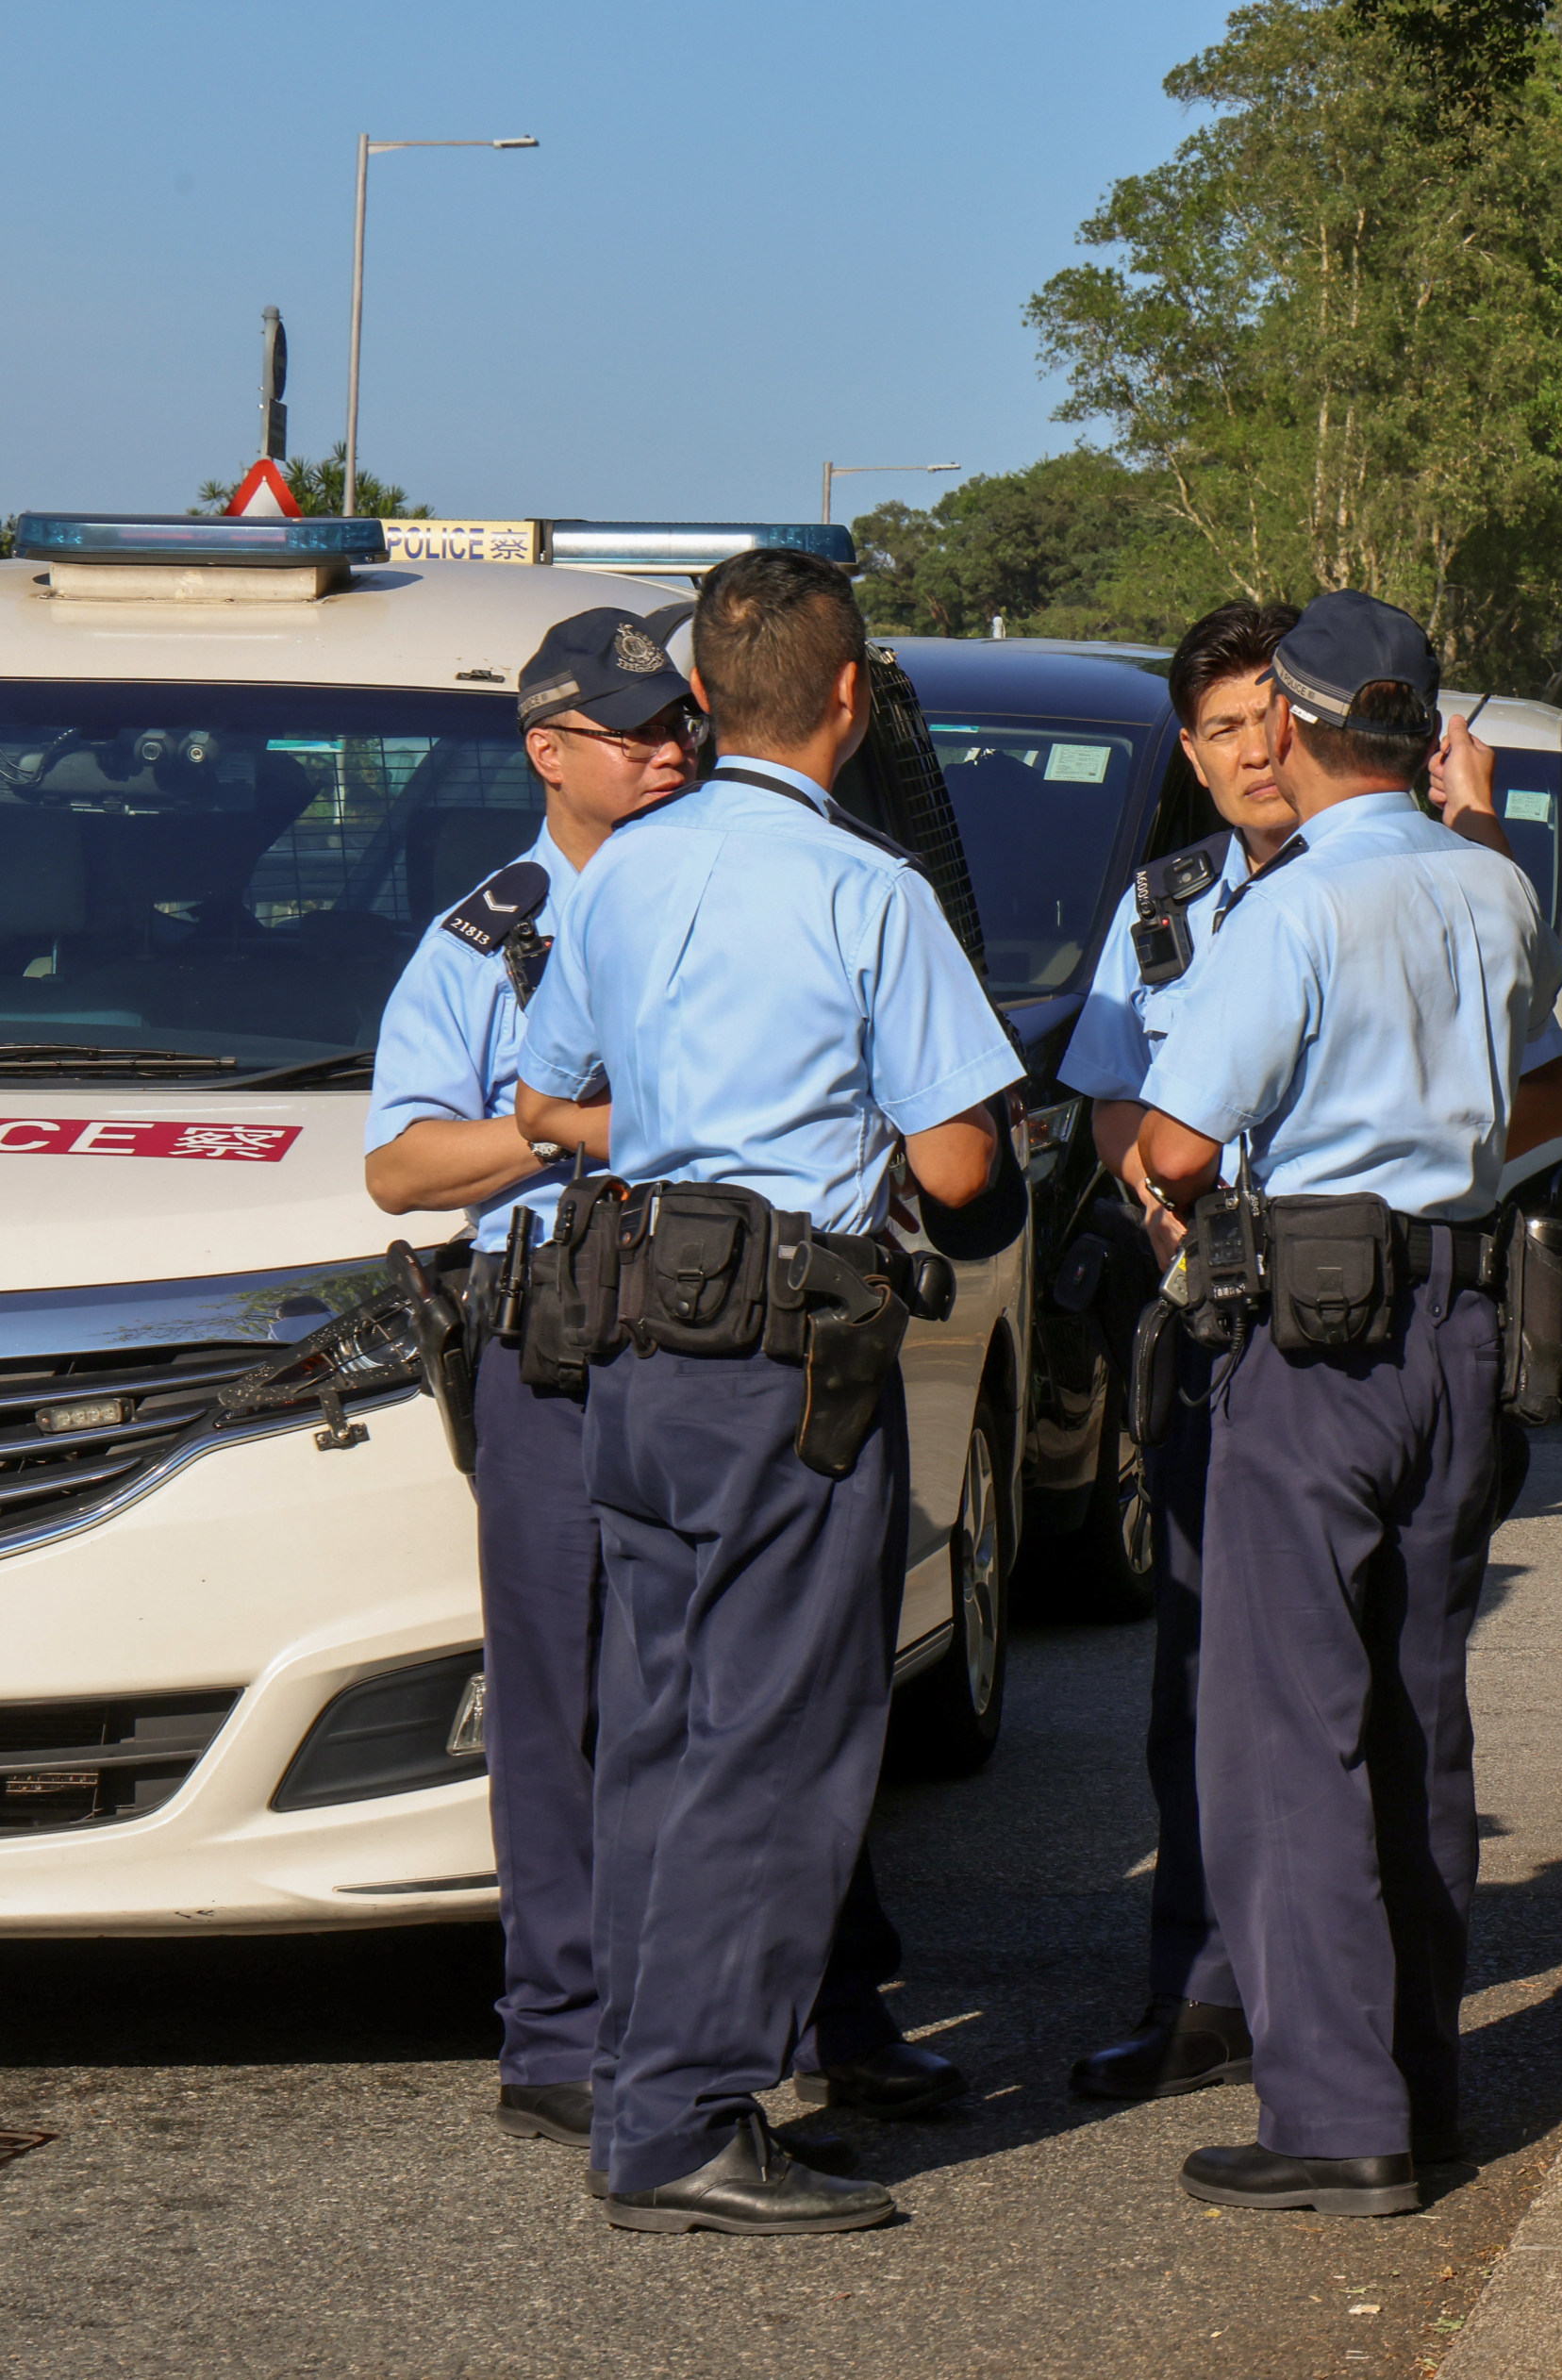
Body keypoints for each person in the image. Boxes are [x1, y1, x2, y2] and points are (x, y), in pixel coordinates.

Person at [364, 607, 966, 2186]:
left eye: (678, 722)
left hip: (699, 1323)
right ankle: (577, 2032)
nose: (667, 750)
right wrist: (583, 1133)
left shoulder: (724, 866)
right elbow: (406, 1156)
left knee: (740, 1686)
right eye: (632, 732)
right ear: (549, 751)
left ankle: (808, 2008)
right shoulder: (499, 928)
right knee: (605, 1701)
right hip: (569, 1325)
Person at [513, 550, 1021, 2235]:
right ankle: (683, 2118)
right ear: (855, 695)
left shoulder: (622, 871)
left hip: (634, 1337)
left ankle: (638, 2077)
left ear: (706, 700)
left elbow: (553, 1080)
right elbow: (959, 1162)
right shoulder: (871, 889)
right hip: (788, 1351)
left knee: (658, 1724)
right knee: (781, 1737)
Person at [1129, 591, 1547, 2217]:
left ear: (1296, 727)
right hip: (1456, 1313)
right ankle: (1423, 2088)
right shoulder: (1500, 887)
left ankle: (1333, 2112)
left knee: (1282, 1731)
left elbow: (1171, 1140)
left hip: (1313, 1330)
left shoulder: (1291, 911)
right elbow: (1523, 1080)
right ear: (1422, 734)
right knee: (1414, 1716)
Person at [1053, 600, 1298, 2104]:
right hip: (1212, 1325)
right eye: (1216, 727)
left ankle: (1343, 1991)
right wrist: (1159, 1214)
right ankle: (1197, 1987)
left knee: (1349, 1677)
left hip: (1364, 1323)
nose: (1249, 747)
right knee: (1197, 1676)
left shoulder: (1388, 880)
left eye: (1269, 712)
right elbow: (1106, 1091)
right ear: (1190, 755)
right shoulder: (1165, 908)